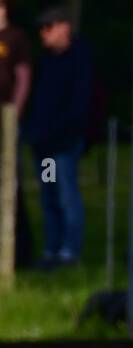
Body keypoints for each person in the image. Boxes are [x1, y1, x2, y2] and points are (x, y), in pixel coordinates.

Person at [22, 4, 91, 268]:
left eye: (48, 28)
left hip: (63, 144)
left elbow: (78, 106)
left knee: (66, 195)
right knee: (49, 196)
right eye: (41, 28)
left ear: (64, 27)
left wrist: (63, 133)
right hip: (44, 145)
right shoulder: (47, 61)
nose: (43, 33)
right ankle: (53, 249)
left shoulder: (79, 59)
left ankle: (70, 251)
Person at [0, 0, 33, 266]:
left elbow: (23, 78)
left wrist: (15, 113)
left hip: (8, 120)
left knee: (11, 182)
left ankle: (19, 251)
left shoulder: (16, 38)